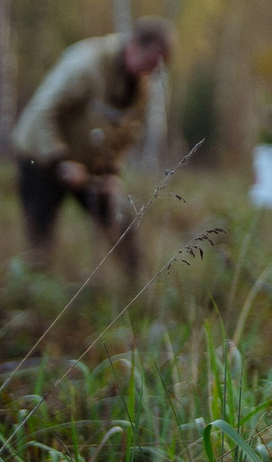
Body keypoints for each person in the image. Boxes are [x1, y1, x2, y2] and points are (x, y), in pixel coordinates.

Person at [14, 19, 174, 282]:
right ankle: (32, 298)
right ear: (134, 45)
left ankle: (138, 288)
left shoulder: (142, 85)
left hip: (88, 164)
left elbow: (125, 134)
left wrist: (112, 174)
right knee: (39, 242)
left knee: (120, 220)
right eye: (149, 62)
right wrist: (60, 161)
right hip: (40, 157)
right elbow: (43, 111)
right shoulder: (87, 64)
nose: (152, 72)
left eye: (158, 67)